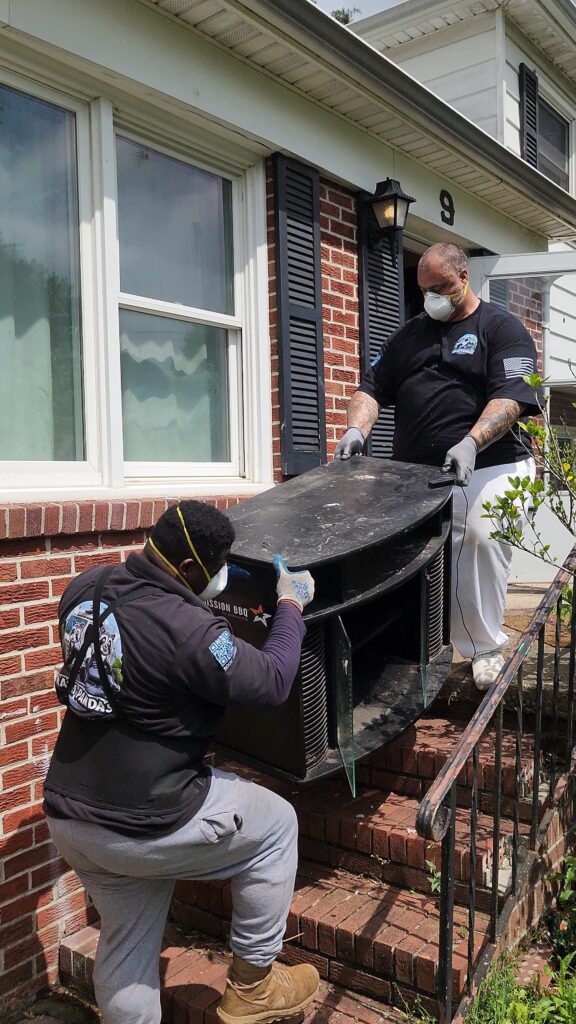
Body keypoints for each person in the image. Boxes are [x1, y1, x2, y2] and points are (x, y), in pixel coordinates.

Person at [43, 500, 320, 1024]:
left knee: (126, 942)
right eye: (218, 567)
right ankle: (254, 987)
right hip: (146, 819)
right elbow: (272, 680)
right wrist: (290, 605)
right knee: (278, 825)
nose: (222, 576)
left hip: (71, 816)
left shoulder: (86, 587)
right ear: (190, 568)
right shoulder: (190, 629)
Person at [335, 242, 540, 690]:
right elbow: (370, 388)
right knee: (402, 552)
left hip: (492, 463)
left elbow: (510, 398)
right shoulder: (409, 336)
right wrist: (356, 429)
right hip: (417, 473)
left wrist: (471, 442)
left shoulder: (501, 328)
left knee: (478, 537)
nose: (432, 298)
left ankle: (484, 648)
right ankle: (416, 645)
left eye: (440, 288)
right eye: (424, 290)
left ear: (464, 277)